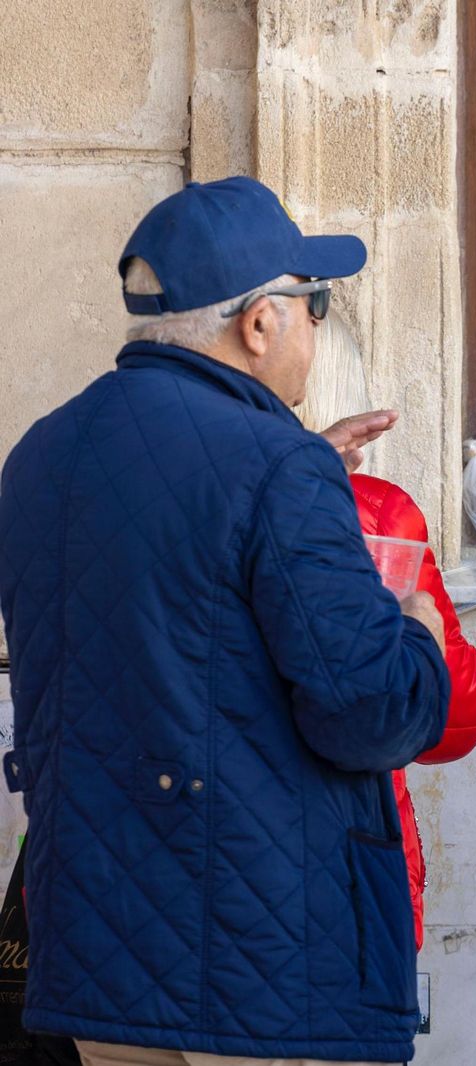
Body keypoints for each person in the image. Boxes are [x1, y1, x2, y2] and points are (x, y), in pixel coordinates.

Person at [0, 177, 451, 1066]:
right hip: (259, 970)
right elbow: (371, 713)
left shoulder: (40, 455)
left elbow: (169, 610)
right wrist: (419, 635)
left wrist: (292, 485)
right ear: (259, 323)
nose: (317, 326)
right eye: (314, 304)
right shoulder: (279, 466)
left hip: (100, 959)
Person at [300, 311, 476, 950]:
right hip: (347, 853)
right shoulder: (377, 512)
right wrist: (422, 636)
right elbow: (455, 715)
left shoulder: (167, 496)